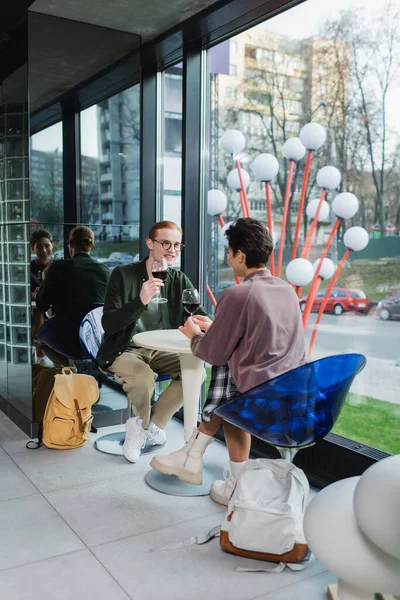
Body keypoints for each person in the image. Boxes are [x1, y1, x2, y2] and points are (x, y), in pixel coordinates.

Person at [150, 218, 307, 506]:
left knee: (225, 376)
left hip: (262, 402)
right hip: (294, 395)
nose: (227, 256)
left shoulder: (237, 294)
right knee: (231, 381)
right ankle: (220, 474)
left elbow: (212, 354)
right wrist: (218, 326)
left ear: (241, 256)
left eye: (229, 251)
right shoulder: (285, 289)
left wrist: (194, 334)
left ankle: (194, 455)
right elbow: (263, 339)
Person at [97, 220, 208, 464]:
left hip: (161, 350)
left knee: (196, 373)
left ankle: (145, 426)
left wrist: (204, 320)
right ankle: (142, 428)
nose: (172, 249)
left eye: (177, 245)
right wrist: (140, 301)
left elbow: (199, 311)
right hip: (125, 348)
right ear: (150, 243)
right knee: (143, 377)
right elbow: (109, 324)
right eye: (165, 243)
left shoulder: (178, 280)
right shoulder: (123, 275)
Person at [35, 226, 110, 366]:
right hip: (96, 340)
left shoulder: (58, 267)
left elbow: (41, 305)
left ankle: (68, 368)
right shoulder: (105, 271)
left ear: (70, 244)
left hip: (66, 340)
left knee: (39, 338)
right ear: (91, 246)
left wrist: (45, 280)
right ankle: (73, 373)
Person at [30, 229, 54, 365]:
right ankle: (40, 355)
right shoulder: (27, 269)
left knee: (41, 307)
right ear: (33, 248)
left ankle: (40, 355)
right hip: (34, 311)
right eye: (39, 247)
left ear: (52, 246)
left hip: (54, 310)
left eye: (47, 246)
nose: (43, 250)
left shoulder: (58, 268)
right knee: (39, 308)